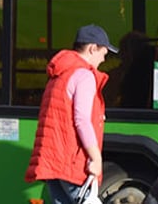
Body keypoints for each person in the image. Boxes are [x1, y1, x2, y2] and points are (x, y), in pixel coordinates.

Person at [26, 24, 117, 204]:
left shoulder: (60, 74)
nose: (103, 60)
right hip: (72, 162)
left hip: (54, 161)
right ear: (92, 49)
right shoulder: (84, 75)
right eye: (103, 54)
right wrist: (96, 158)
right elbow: (82, 120)